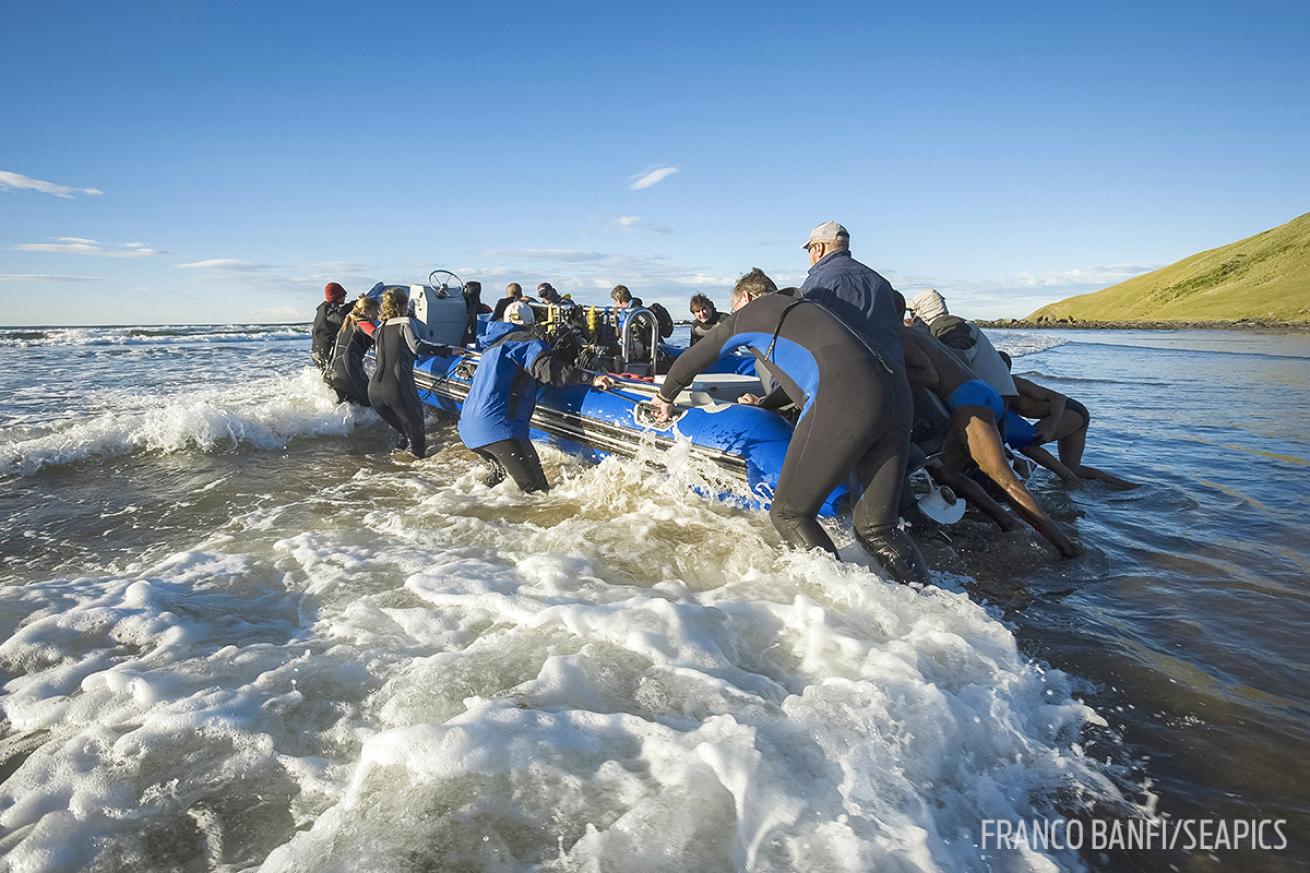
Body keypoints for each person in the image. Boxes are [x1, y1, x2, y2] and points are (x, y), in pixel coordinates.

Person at [650, 270, 929, 585]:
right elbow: (811, 374)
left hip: (845, 396)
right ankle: (930, 607)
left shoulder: (752, 313)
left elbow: (696, 357)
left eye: (734, 303)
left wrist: (664, 397)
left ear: (747, 297)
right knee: (877, 528)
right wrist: (766, 403)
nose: (734, 313)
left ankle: (839, 605)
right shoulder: (808, 311)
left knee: (789, 513)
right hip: (896, 396)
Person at [900, 298, 1079, 557]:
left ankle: (1067, 547)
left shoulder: (901, 335)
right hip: (983, 392)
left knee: (1004, 480)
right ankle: (1008, 522)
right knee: (947, 471)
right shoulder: (919, 333)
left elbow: (930, 376)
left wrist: (896, 371)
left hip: (968, 402)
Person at [459, 301, 614, 492]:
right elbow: (548, 371)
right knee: (539, 493)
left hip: (470, 430)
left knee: (497, 481)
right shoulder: (524, 340)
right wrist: (589, 377)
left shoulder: (491, 348)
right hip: (500, 429)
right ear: (532, 325)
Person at [998, 352, 1138, 489]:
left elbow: (1058, 397)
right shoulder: (995, 388)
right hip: (1072, 414)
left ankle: (1072, 482)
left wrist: (1051, 428)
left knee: (1028, 445)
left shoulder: (1016, 383)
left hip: (1070, 410)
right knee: (1073, 467)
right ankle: (1128, 487)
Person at [798, 221, 904, 372]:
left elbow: (800, 334)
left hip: (847, 379)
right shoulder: (881, 282)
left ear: (819, 248)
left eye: (809, 249)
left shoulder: (819, 282)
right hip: (893, 376)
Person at [907, 289, 1016, 403]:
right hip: (996, 392)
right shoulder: (954, 323)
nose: (912, 316)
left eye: (912, 312)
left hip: (986, 398)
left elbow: (959, 359)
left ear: (921, 311)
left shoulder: (945, 325)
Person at [368, 288, 430, 458]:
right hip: (397, 388)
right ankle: (418, 480)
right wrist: (449, 350)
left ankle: (394, 476)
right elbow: (417, 347)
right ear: (404, 305)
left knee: (403, 436)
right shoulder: (405, 322)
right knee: (417, 442)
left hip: (374, 391)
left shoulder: (379, 328)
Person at [326, 296, 380, 405]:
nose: (378, 314)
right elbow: (378, 335)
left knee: (348, 407)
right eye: (376, 310)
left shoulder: (349, 322)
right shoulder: (362, 323)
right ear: (365, 310)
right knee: (371, 403)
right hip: (348, 371)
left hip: (334, 371)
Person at [311, 282, 353, 370]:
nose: (345, 297)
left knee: (326, 374)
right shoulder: (329, 308)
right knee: (331, 373)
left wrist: (355, 303)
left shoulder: (325, 307)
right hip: (325, 349)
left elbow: (342, 310)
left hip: (317, 349)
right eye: (343, 295)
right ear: (336, 297)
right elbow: (339, 318)